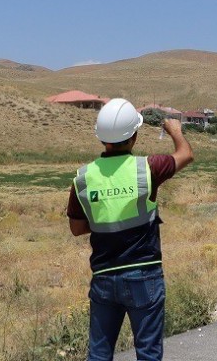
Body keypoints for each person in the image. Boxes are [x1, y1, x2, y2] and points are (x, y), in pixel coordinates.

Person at [67, 99, 194, 361]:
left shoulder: (83, 178)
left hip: (104, 278)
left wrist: (107, 213)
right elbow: (185, 155)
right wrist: (176, 132)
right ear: (134, 137)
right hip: (144, 276)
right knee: (148, 353)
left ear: (102, 138)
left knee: (99, 354)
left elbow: (77, 228)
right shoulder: (147, 168)